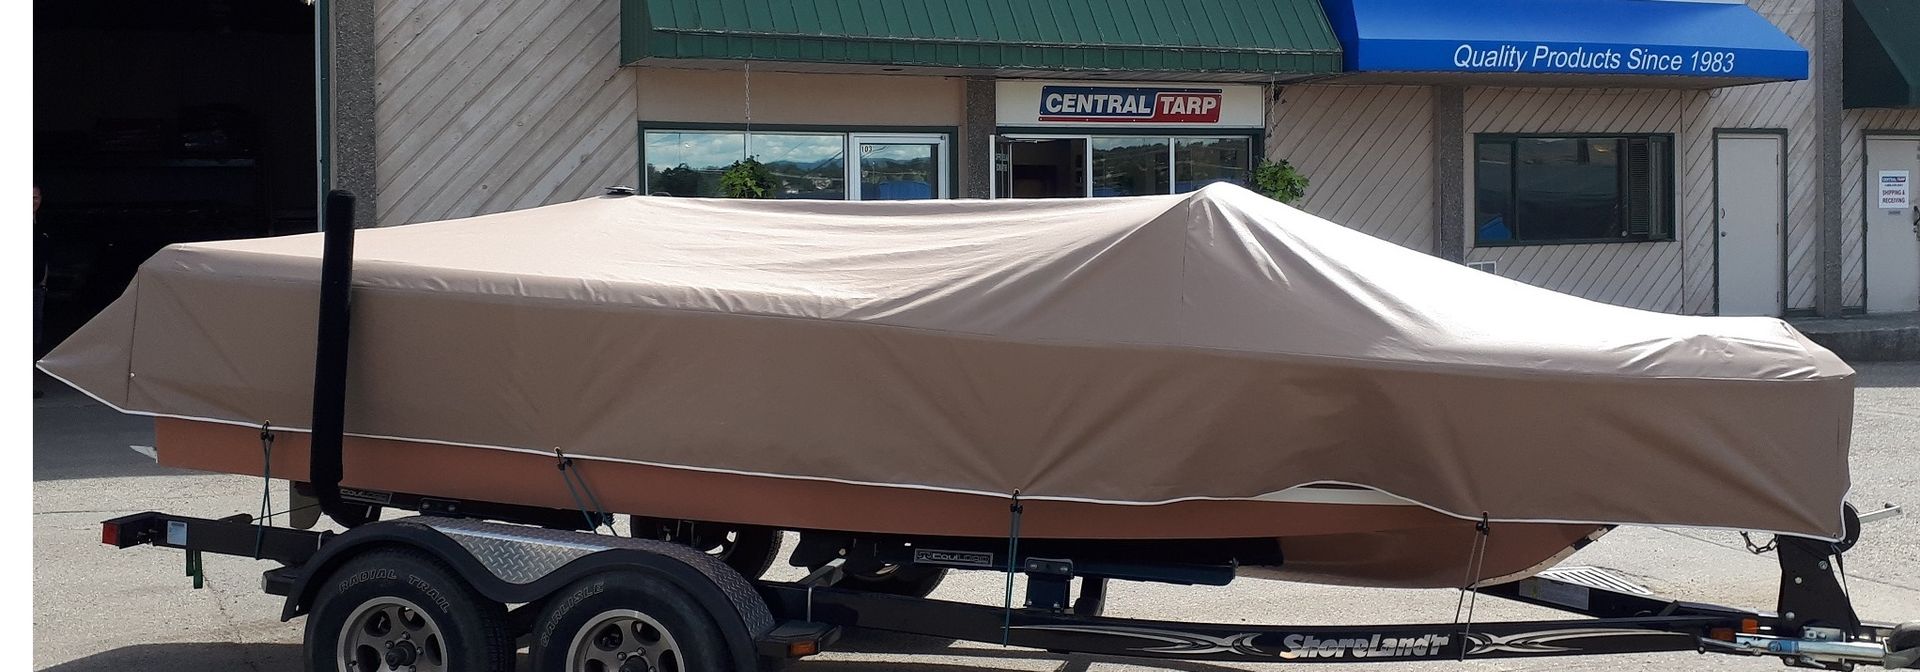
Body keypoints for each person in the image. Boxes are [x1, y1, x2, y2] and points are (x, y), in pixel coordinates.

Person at [33, 185, 44, 398]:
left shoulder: (42, 227)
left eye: (35, 197)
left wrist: (43, 283)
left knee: (33, 338)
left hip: (36, 289)